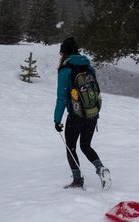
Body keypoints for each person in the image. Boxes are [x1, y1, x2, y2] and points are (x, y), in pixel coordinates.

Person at [54, 37, 110, 189]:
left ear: (64, 53)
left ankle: (77, 181)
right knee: (86, 146)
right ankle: (101, 169)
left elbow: (61, 97)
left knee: (71, 147)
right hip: (92, 113)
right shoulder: (88, 66)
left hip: (76, 115)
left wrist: (57, 120)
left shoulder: (65, 70)